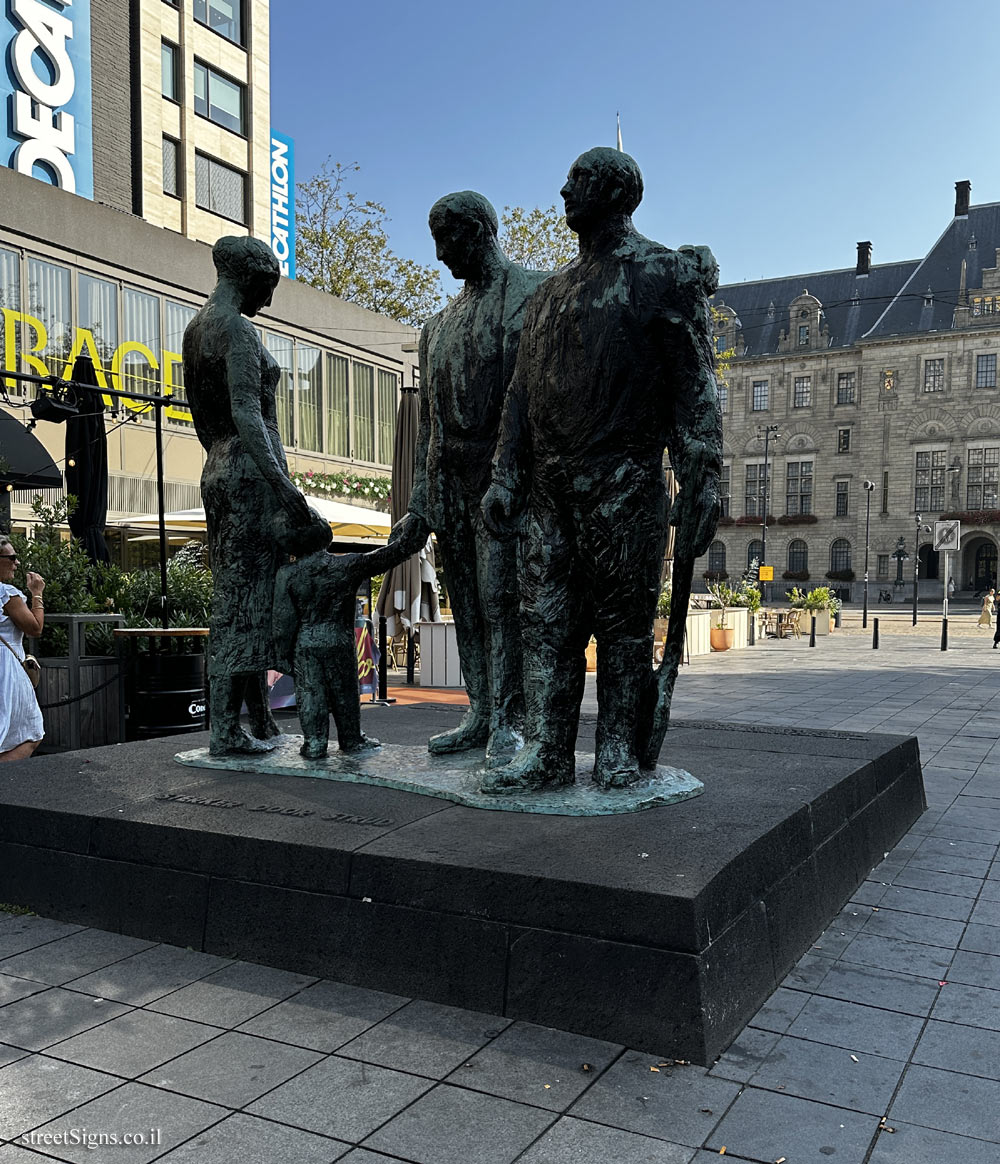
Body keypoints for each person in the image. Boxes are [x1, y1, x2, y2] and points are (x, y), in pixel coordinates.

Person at [483, 147, 722, 792]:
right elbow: (520, 396)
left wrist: (706, 470)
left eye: (578, 179)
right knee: (547, 622)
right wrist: (506, 473)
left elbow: (695, 384)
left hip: (625, 479)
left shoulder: (662, 274)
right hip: (551, 488)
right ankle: (548, 749)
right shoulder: (547, 295)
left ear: (617, 193)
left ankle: (617, 746)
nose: (563, 189)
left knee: (623, 624)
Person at [408, 191, 550, 765]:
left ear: (483, 231)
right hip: (452, 479)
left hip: (507, 476)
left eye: (450, 240)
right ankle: (480, 711)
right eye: (436, 242)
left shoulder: (535, 294)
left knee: (502, 599)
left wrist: (518, 475)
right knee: (465, 598)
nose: (441, 255)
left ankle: (512, 719)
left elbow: (543, 398)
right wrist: (423, 488)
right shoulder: (436, 326)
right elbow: (428, 421)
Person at [183, 236, 327, 755]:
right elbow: (248, 416)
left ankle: (259, 718)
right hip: (249, 476)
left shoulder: (196, 329)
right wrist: (287, 492)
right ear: (249, 275)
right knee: (241, 603)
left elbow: (205, 422)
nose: (269, 299)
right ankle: (225, 729)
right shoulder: (237, 329)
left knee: (246, 597)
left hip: (219, 467)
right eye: (268, 285)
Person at [272, 509, 425, 759]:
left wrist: (281, 653)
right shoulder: (345, 564)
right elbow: (388, 556)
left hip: (306, 641)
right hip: (338, 639)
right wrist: (408, 533)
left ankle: (314, 742)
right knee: (345, 692)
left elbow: (283, 621)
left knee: (310, 693)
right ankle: (351, 738)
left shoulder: (287, 574)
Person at [0, 540, 45, 762]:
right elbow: (35, 628)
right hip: (6, 668)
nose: (16, 563)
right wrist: (37, 593)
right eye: (11, 558)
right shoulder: (6, 594)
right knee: (32, 732)